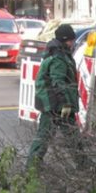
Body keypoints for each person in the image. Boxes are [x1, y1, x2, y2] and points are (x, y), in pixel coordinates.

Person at [27, 24, 82, 170]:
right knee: (49, 136)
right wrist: (65, 103)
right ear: (66, 40)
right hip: (54, 105)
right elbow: (58, 82)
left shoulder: (57, 53)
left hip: (55, 104)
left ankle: (83, 163)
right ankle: (32, 166)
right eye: (71, 40)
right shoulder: (59, 58)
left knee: (70, 135)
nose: (73, 43)